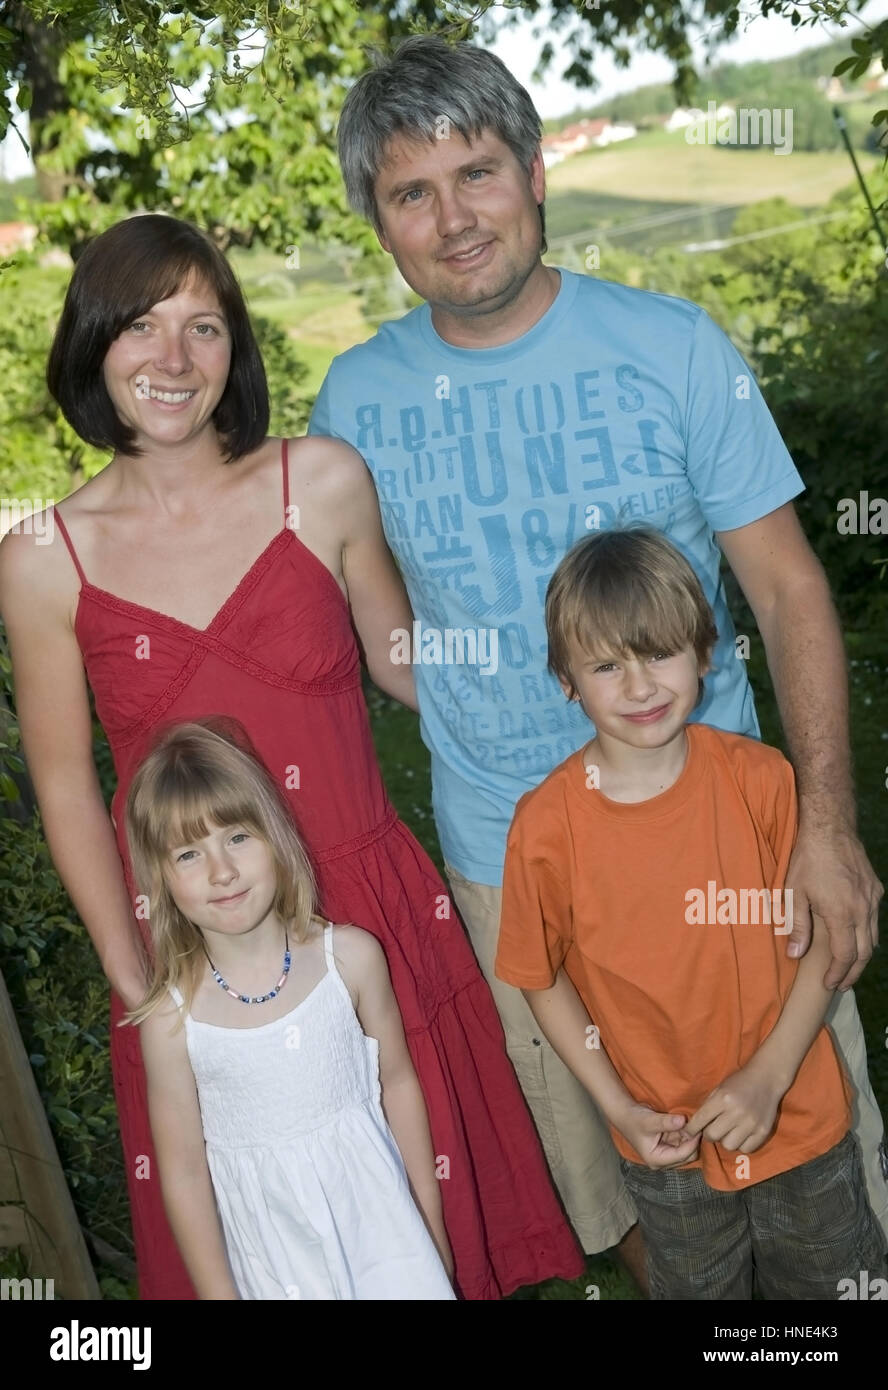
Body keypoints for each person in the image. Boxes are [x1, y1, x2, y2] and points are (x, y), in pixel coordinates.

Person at [307, 34, 887, 1275]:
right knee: (632, 1184)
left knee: (817, 1183)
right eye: (413, 192)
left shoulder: (673, 346)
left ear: (533, 173)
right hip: (515, 867)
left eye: (478, 173)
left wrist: (826, 827)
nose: (454, 218)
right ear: (379, 220)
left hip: (726, 849)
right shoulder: (353, 405)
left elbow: (787, 590)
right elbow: (382, 636)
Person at [0, 212, 583, 1299]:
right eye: (140, 327)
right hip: (197, 943)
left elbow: (410, 665)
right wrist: (139, 983)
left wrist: (594, 667)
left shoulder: (318, 481)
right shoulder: (42, 559)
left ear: (237, 349)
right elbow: (68, 790)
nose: (174, 360)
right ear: (91, 344)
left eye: (204, 328)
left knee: (423, 1231)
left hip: (367, 912)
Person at [495, 527, 888, 1299]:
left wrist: (770, 1079)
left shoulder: (765, 783)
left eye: (661, 653)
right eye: (608, 665)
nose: (640, 686)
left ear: (707, 652)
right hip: (666, 1145)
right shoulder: (545, 828)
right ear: (567, 679)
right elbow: (539, 978)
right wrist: (619, 1108)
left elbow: (822, 947)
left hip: (800, 1121)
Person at [128, 720, 455, 1301]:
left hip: (382, 1234)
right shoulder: (174, 1023)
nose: (221, 871)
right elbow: (180, 1171)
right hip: (276, 1260)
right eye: (188, 853)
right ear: (161, 878)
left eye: (236, 837)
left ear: (274, 837)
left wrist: (429, 1228)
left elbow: (398, 1083)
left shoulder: (350, 961)